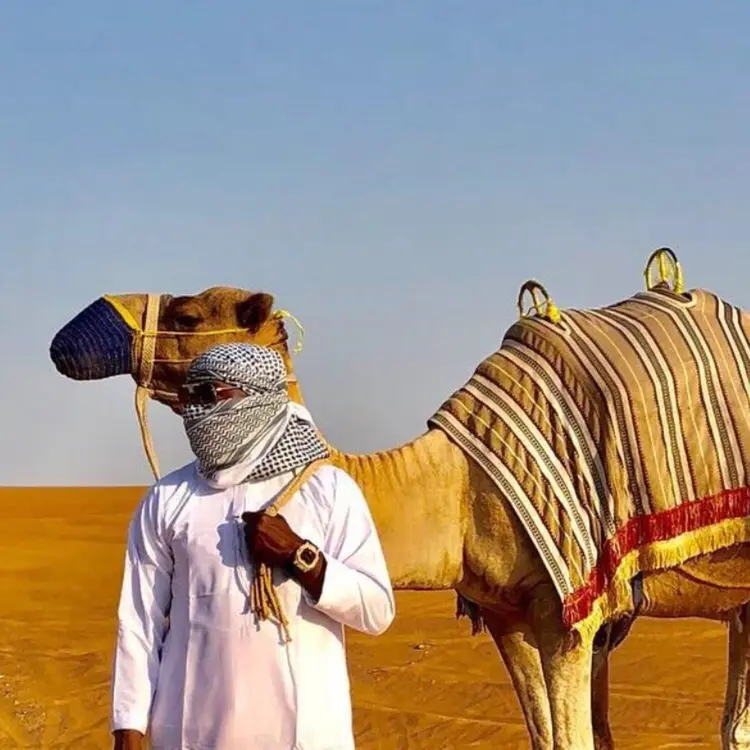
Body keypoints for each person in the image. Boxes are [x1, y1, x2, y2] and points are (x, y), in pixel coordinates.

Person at [110, 343, 395, 750]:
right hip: (190, 733)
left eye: (210, 394)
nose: (195, 409)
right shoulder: (167, 498)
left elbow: (377, 610)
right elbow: (140, 620)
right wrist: (128, 726)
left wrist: (301, 557)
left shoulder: (327, 489)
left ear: (257, 397)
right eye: (191, 396)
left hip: (305, 736)